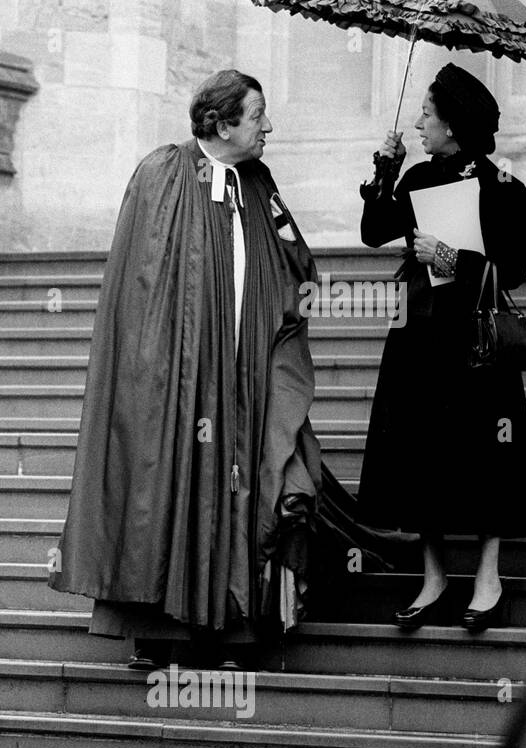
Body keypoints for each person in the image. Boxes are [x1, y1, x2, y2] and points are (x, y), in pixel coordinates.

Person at [49, 70, 322, 671]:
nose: (268, 126)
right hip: (175, 378)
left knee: (239, 490)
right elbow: (139, 285)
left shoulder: (258, 182)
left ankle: (228, 635)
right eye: (256, 116)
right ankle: (157, 631)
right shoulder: (163, 172)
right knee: (166, 489)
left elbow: (293, 257)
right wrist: (165, 369)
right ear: (220, 123)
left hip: (244, 373)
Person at [357, 64, 526, 633]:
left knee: (487, 455)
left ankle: (488, 577)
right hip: (421, 337)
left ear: (453, 124)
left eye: (427, 116)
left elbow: (515, 269)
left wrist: (454, 260)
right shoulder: (417, 178)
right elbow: (375, 229)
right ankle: (433, 578)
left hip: (476, 343)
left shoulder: (504, 188)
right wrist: (386, 169)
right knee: (421, 450)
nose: (419, 124)